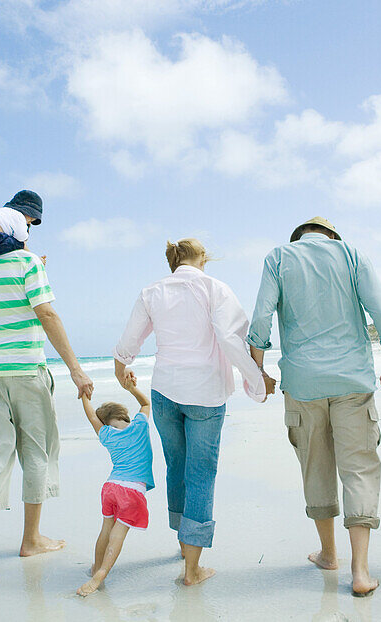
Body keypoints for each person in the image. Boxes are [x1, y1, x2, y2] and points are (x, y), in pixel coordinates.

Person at [247, 216, 381, 597]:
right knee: (360, 469)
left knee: (315, 465)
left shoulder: (279, 257)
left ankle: (328, 553)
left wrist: (258, 369)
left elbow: (261, 316)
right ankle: (361, 570)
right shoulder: (351, 254)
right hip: (352, 380)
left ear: (300, 237)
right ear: (332, 236)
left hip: (303, 383)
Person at [0, 190, 94, 584]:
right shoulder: (29, 262)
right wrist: (77, 371)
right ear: (19, 224)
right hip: (26, 370)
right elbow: (46, 313)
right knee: (37, 451)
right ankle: (30, 539)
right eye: (30, 224)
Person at [113, 238, 271, 586]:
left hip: (165, 391)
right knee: (201, 473)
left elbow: (129, 342)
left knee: (178, 467)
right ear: (202, 259)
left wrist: (120, 368)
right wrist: (256, 380)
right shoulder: (215, 288)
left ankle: (184, 546)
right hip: (205, 393)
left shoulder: (152, 291)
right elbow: (231, 339)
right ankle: (192, 569)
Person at [76, 381, 155, 596]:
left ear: (105, 423)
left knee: (106, 530)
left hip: (111, 487)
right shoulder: (139, 425)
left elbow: (92, 417)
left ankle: (95, 566)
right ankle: (101, 573)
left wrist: (84, 396)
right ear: (123, 415)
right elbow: (146, 403)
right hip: (132, 490)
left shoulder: (107, 435)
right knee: (118, 535)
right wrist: (131, 388)